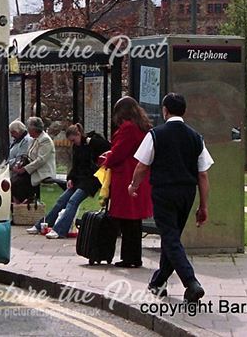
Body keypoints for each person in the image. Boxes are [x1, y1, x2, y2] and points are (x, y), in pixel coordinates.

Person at [128, 92, 213, 304]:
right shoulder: (196, 137)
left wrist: (133, 185)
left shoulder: (156, 134)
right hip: (187, 193)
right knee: (171, 237)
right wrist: (203, 206)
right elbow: (202, 174)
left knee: (170, 237)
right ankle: (158, 282)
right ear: (184, 111)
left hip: (164, 192)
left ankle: (191, 282)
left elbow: (142, 165)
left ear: (165, 110)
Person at [100, 97, 153, 267]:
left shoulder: (128, 128)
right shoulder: (142, 127)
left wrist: (106, 160)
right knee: (134, 221)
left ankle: (130, 257)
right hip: (139, 177)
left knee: (127, 219)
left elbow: (118, 153)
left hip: (126, 177)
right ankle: (133, 257)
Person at [27, 123, 103, 238]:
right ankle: (43, 225)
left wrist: (90, 141)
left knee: (73, 201)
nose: (73, 143)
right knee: (61, 200)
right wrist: (70, 178)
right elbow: (75, 165)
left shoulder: (92, 142)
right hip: (79, 179)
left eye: (73, 140)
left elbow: (106, 146)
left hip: (91, 180)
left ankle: (60, 230)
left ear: (78, 134)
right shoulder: (76, 147)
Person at [11, 117, 56, 204]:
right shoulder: (33, 139)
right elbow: (27, 155)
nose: (27, 130)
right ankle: (18, 206)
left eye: (28, 128)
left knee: (18, 183)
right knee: (12, 180)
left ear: (34, 129)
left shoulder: (45, 140)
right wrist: (20, 164)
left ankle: (22, 205)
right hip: (32, 170)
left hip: (41, 171)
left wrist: (24, 169)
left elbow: (40, 160)